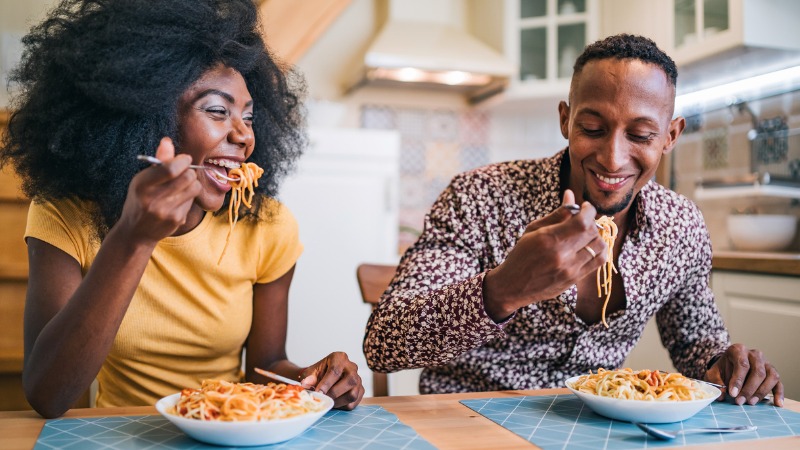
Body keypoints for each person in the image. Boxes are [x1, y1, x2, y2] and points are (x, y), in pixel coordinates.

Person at [363, 34, 784, 407]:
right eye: (592, 128)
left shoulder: (682, 226)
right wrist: (502, 288)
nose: (612, 158)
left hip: (600, 427)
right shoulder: (479, 197)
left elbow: (694, 341)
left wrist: (724, 363)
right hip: (467, 418)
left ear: (671, 135)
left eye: (640, 135)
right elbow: (385, 344)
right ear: (565, 119)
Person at [0, 0, 363, 418]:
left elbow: (267, 365)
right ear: (149, 118)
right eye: (217, 111)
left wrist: (313, 380)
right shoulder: (65, 215)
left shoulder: (268, 225)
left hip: (227, 429)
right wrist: (133, 237)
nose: (244, 136)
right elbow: (47, 393)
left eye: (248, 117)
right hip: (118, 433)